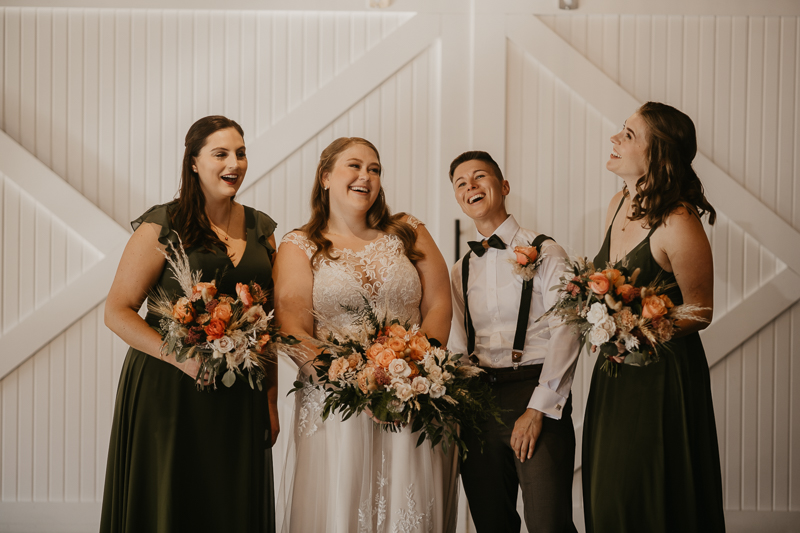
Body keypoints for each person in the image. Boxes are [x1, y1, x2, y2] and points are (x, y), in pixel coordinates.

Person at [100, 116, 279, 533]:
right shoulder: (163, 225)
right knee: (172, 500)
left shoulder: (262, 229)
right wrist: (183, 361)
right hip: (169, 389)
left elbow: (268, 324)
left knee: (228, 501)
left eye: (240, 152)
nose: (234, 162)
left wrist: (269, 401)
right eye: (220, 154)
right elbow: (117, 310)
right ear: (194, 163)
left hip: (240, 395)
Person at [273, 137, 457, 533]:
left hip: (412, 397)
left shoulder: (409, 231)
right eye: (354, 166)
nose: (365, 176)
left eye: (374, 169)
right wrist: (352, 381)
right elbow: (291, 328)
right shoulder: (299, 246)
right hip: (338, 407)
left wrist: (417, 370)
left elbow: (439, 303)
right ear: (325, 177)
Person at [582, 102, 725, 532]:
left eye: (627, 134)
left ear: (656, 153)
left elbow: (700, 310)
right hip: (615, 376)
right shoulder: (615, 203)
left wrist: (636, 332)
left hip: (663, 378)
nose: (614, 138)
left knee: (651, 492)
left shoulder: (678, 220)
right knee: (608, 491)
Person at [448, 151, 581, 533]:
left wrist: (537, 409)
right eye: (461, 183)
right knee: (491, 523)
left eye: (480, 177)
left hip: (534, 391)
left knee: (548, 523)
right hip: (479, 404)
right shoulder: (460, 269)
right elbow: (458, 345)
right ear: (458, 198)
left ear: (503, 186)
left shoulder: (547, 252)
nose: (470, 186)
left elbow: (567, 331)